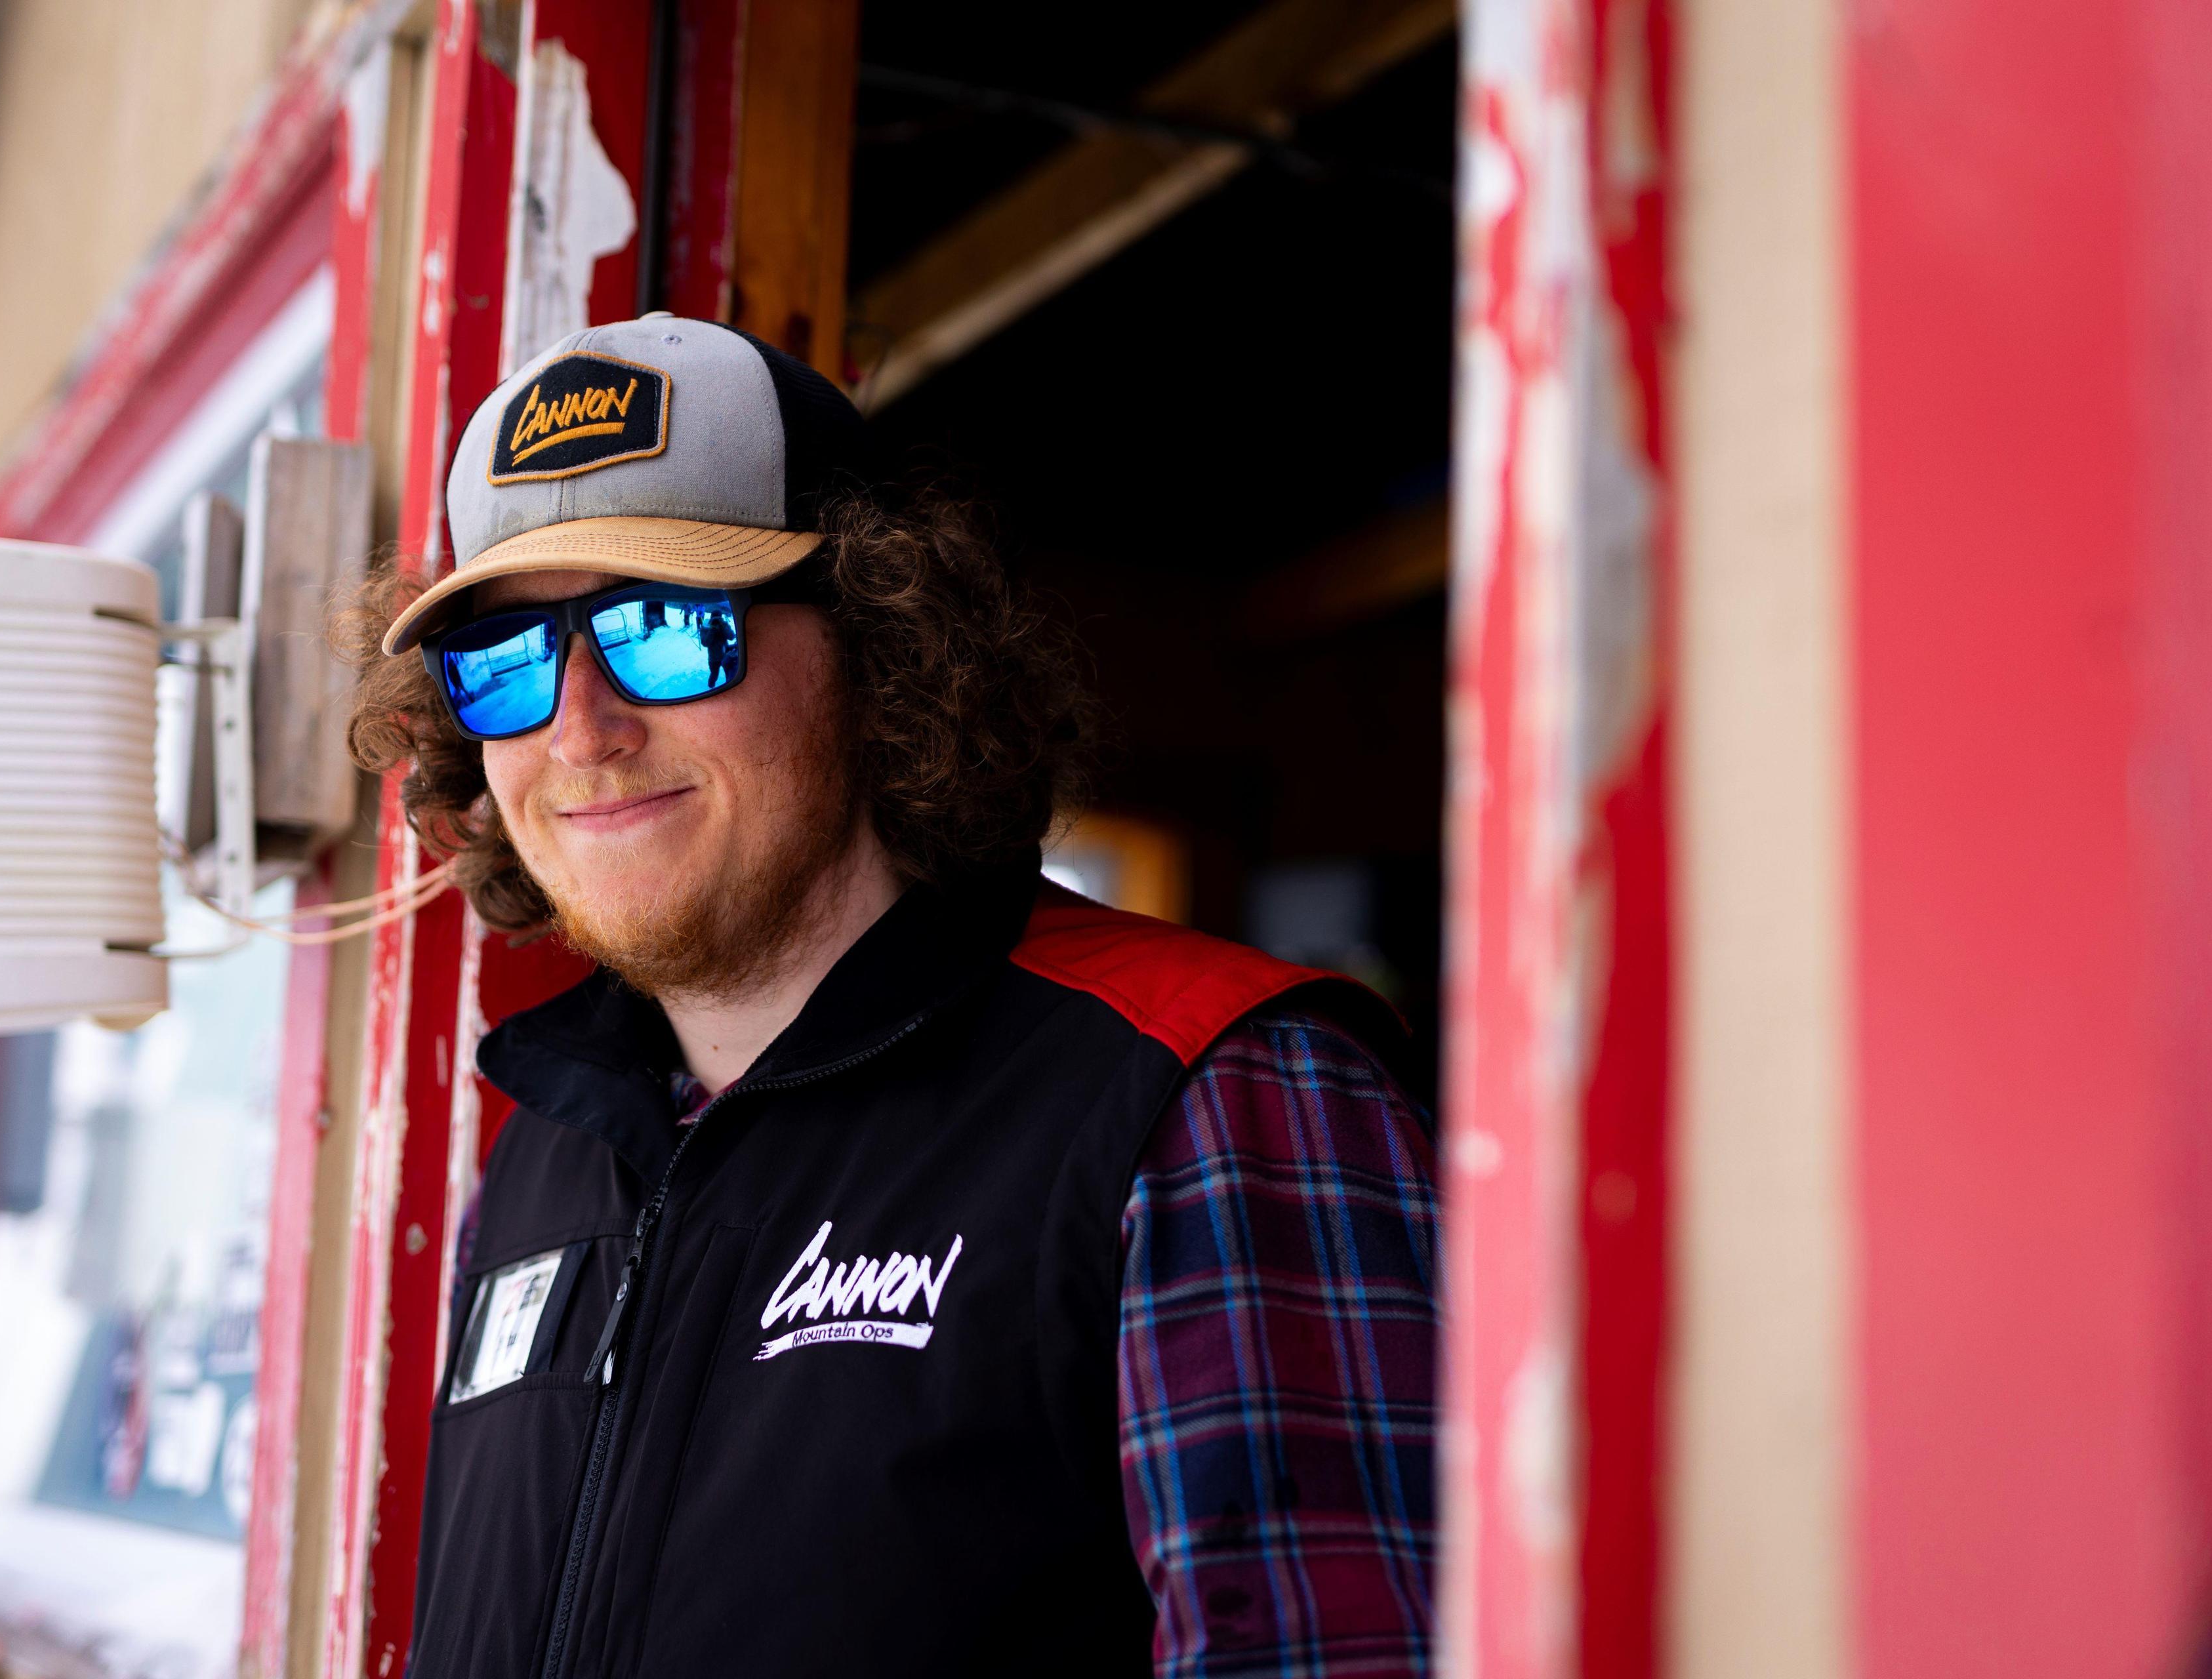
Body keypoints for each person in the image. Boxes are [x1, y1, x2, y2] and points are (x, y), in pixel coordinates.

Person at [343, 315, 1437, 1679]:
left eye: (669, 629)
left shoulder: (1205, 1089)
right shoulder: (544, 1154)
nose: (581, 725)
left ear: (880, 644)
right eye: (505, 660)